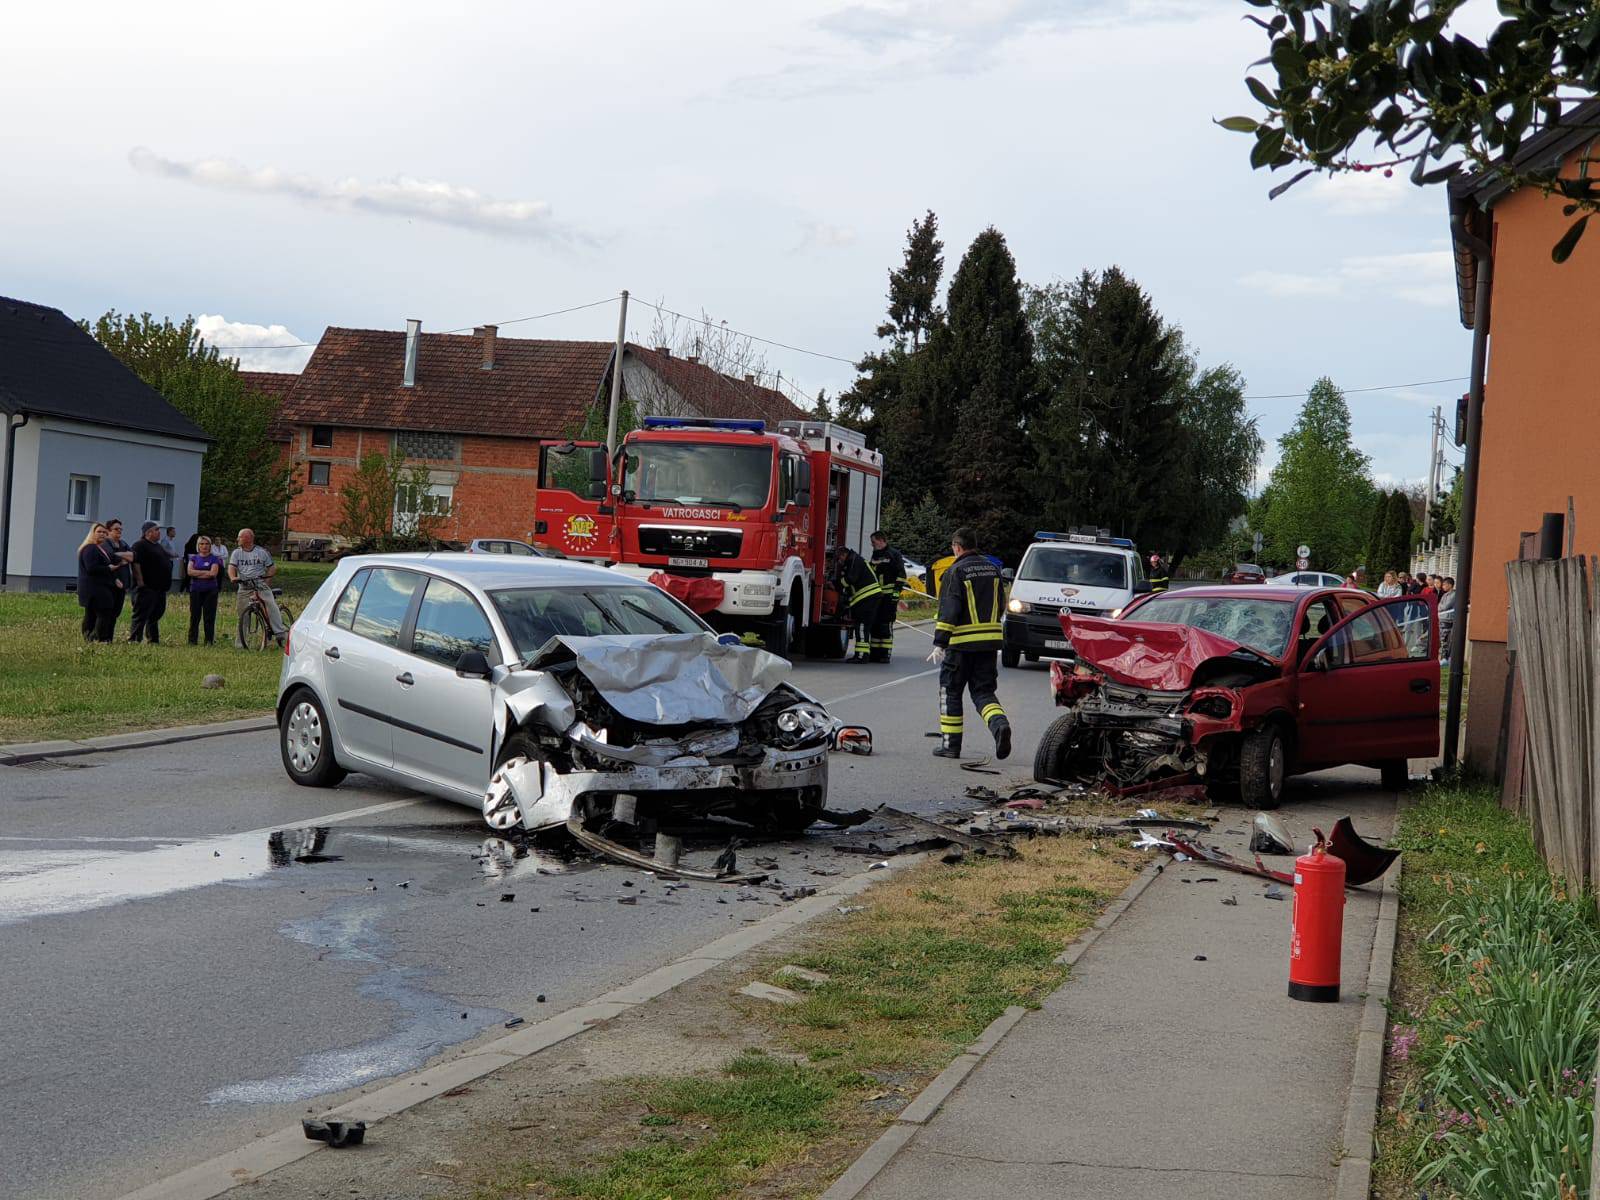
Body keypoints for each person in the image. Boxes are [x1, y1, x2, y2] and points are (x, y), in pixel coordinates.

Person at [927, 527, 1011, 761]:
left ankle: (950, 745)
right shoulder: (993, 569)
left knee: (950, 691)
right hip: (988, 644)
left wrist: (939, 643)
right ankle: (999, 724)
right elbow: (1001, 604)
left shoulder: (956, 571)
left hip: (961, 644)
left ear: (957, 546)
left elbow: (949, 609)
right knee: (983, 692)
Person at [229, 528, 285, 646]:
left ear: (248, 538)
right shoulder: (236, 553)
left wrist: (267, 581)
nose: (237, 539)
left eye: (240, 537)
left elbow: (272, 567)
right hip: (244, 586)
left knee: (270, 604)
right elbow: (232, 567)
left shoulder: (261, 552)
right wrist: (233, 577)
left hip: (259, 584)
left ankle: (279, 631)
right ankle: (240, 644)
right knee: (242, 615)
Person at [832, 545, 883, 661]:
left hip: (867, 597)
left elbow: (851, 579)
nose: (840, 562)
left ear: (844, 555)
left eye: (840, 559)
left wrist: (835, 584)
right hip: (869, 597)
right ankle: (862, 654)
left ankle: (861, 656)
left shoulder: (854, 561)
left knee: (861, 626)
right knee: (863, 626)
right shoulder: (855, 559)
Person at [75, 523, 122, 642]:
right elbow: (91, 568)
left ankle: (90, 638)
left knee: (92, 614)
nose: (102, 534)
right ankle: (97, 638)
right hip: (95, 588)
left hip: (98, 587)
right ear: (92, 533)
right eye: (99, 532)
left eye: (105, 533)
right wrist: (109, 568)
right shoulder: (90, 548)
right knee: (104, 613)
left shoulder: (98, 548)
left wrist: (114, 578)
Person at [129, 520, 173, 643]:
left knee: (156, 614)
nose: (159, 532)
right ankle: (134, 639)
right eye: (157, 530)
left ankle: (153, 639)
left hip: (160, 588)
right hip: (146, 587)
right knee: (141, 614)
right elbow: (135, 564)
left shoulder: (157, 546)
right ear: (148, 533)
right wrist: (140, 583)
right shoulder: (140, 545)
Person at [867, 531, 908, 664]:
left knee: (885, 624)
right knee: (874, 624)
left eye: (873, 542)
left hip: (889, 597)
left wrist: (895, 595)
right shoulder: (875, 554)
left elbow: (901, 575)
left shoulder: (894, 554)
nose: (872, 544)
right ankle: (874, 654)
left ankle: (885, 654)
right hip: (876, 596)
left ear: (881, 540)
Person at [186, 535, 224, 644]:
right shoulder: (194, 558)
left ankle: (208, 641)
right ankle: (192, 641)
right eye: (202, 544)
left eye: (207, 544)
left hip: (210, 591)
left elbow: (213, 574)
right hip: (196, 590)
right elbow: (189, 572)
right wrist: (205, 573)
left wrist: (197, 573)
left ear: (210, 546)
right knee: (194, 616)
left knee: (209, 617)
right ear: (198, 546)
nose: (204, 546)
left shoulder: (215, 558)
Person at [104, 517, 135, 633]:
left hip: (123, 582)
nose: (119, 532)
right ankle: (103, 636)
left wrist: (120, 556)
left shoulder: (123, 543)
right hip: (111, 582)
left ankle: (109, 636)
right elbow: (112, 557)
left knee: (116, 612)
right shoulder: (105, 543)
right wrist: (121, 557)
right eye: (116, 529)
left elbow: (133, 556)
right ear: (108, 531)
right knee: (108, 611)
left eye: (121, 529)